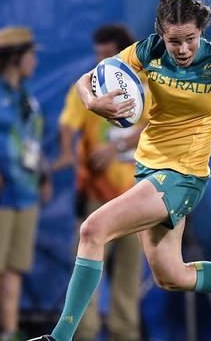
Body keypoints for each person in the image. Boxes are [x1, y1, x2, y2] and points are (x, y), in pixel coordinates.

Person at [29, 0, 211, 341]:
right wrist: (94, 102)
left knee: (92, 230)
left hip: (183, 178)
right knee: (172, 276)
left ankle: (59, 338)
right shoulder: (149, 51)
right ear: (161, 34)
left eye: (190, 39)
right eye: (175, 41)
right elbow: (87, 79)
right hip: (148, 170)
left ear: (201, 32)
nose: (183, 49)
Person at [52, 24, 149, 341]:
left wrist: (118, 145)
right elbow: (68, 123)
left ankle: (125, 333)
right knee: (87, 268)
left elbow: (161, 124)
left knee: (129, 275)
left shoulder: (148, 85)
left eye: (107, 54)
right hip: (96, 196)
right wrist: (67, 152)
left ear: (124, 53)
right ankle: (85, 333)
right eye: (97, 55)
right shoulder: (89, 85)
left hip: (137, 196)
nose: (100, 61)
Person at [0, 26, 51, 341]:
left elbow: (29, 141)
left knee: (12, 272)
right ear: (15, 57)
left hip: (25, 197)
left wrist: (43, 176)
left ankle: (9, 334)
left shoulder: (24, 96)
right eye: (31, 54)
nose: (35, 60)